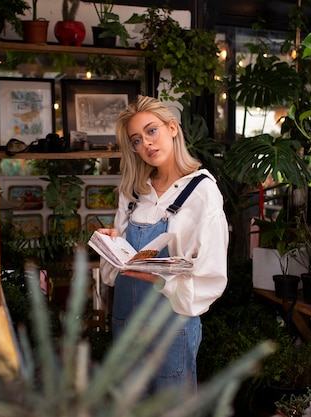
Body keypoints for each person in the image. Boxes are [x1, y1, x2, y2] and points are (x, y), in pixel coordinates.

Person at [97, 95, 229, 395]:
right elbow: (110, 275)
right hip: (125, 324)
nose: (146, 144)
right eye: (136, 140)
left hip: (171, 329)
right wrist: (112, 247)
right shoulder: (133, 192)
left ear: (172, 128)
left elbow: (211, 274)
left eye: (151, 131)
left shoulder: (201, 191)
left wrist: (161, 281)